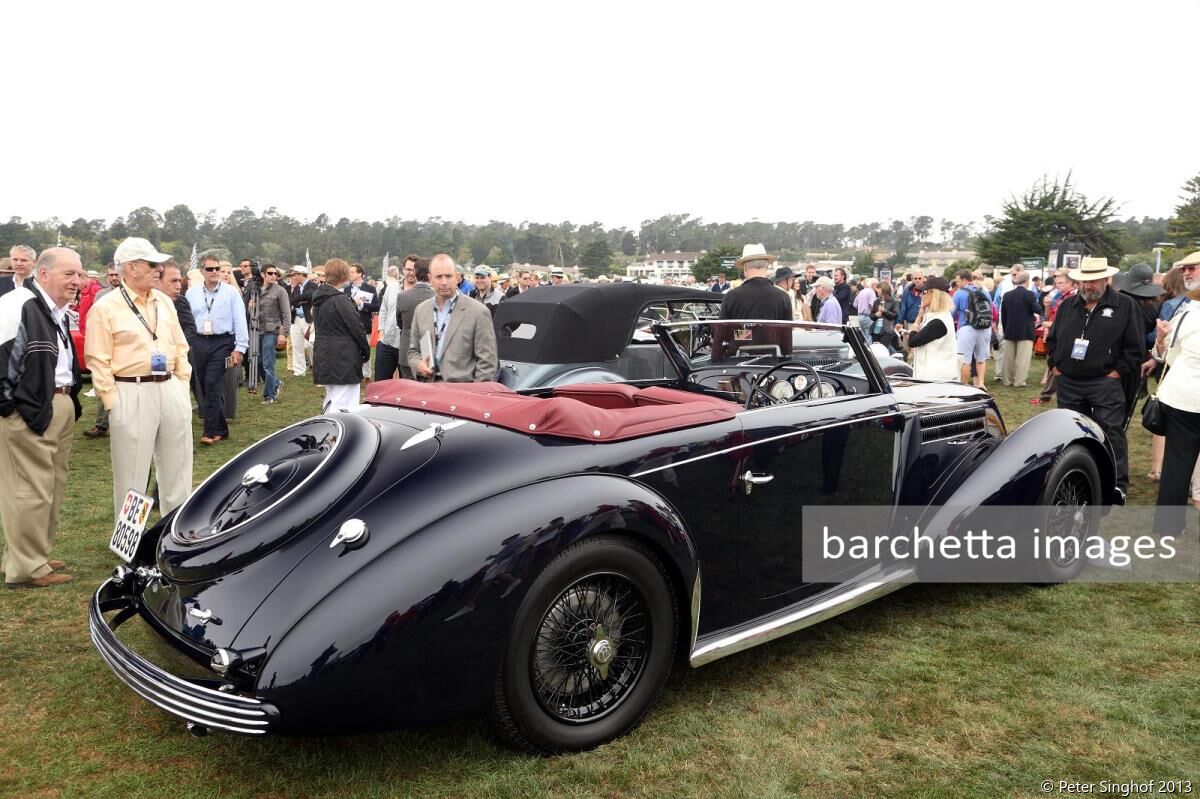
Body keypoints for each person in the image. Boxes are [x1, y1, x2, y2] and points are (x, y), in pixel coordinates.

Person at [85, 237, 193, 521]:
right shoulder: (105, 307)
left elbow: (180, 346)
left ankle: (173, 536)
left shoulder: (165, 303)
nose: (159, 269)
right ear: (131, 268)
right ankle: (129, 542)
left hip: (170, 387)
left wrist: (181, 385)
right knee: (131, 472)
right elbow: (97, 359)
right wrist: (113, 403)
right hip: (130, 391)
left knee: (178, 468)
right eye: (152, 263)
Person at [0, 248, 84, 588]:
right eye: (69, 274)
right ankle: (26, 568)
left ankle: (33, 554)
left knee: (50, 486)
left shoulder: (55, 310)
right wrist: (10, 408)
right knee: (28, 489)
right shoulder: (17, 304)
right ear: (43, 273)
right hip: (29, 408)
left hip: (58, 405)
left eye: (78, 274)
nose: (77, 281)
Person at [1045, 256, 1145, 498]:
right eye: (1083, 281)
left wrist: (1115, 372)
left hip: (1104, 383)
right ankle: (1075, 475)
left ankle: (1117, 483)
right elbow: (1053, 340)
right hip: (1069, 381)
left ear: (1105, 279)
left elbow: (1135, 348)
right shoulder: (1069, 305)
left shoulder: (1125, 305)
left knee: (1110, 431)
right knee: (1071, 431)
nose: (1087, 286)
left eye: (1093, 281)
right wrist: (1055, 366)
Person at [1151, 252, 1200, 536]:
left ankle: (1168, 527)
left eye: (1192, 268)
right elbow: (1164, 353)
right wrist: (1160, 339)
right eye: (1183, 269)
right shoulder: (1186, 309)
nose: (1186, 273)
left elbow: (1166, 354)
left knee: (1177, 464)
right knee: (1177, 465)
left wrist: (1160, 339)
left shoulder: (1188, 311)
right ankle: (1168, 527)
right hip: (1185, 400)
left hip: (1184, 399)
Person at [186, 254, 248, 445]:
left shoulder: (231, 293)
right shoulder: (192, 293)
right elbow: (188, 321)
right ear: (202, 271)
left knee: (212, 382)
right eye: (210, 269)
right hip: (199, 342)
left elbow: (240, 321)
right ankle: (221, 428)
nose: (214, 272)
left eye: (217, 269)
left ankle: (210, 431)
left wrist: (240, 348)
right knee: (204, 386)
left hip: (222, 342)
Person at [407, 254, 499, 383]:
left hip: (462, 392)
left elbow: (487, 362)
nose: (444, 282)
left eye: (448, 276)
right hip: (427, 389)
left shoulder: (478, 312)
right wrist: (418, 365)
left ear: (456, 277)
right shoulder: (421, 311)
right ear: (430, 279)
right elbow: (413, 351)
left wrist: (473, 394)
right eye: (439, 277)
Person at [312, 259, 371, 412]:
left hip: (325, 354)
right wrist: (366, 351)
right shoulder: (340, 300)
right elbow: (357, 329)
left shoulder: (320, 298)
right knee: (345, 406)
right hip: (343, 358)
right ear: (344, 277)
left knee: (332, 399)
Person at [905, 276, 958, 382]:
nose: (921, 295)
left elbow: (913, 341)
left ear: (934, 294)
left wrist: (918, 318)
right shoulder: (938, 316)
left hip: (935, 377)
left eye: (924, 292)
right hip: (933, 374)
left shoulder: (939, 321)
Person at [720, 244, 792, 321]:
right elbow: (787, 332)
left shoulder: (731, 297)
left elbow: (722, 331)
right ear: (767, 266)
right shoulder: (783, 297)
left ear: (745, 267)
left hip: (740, 333)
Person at [254, 264, 290, 403]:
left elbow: (286, 314)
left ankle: (269, 395)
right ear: (263, 274)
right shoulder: (255, 291)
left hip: (271, 331)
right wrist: (251, 306)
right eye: (270, 273)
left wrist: (283, 333)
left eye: (275, 273)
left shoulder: (280, 291)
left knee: (268, 364)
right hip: (257, 330)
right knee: (258, 362)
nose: (273, 275)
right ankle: (275, 383)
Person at [952, 270, 994, 388]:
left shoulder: (959, 293)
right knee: (981, 359)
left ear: (965, 280)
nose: (957, 283)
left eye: (958, 280)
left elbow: (952, 312)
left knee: (965, 360)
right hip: (984, 327)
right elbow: (990, 308)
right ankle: (980, 383)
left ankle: (963, 386)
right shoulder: (983, 291)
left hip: (967, 328)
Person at [999, 271, 1040, 387]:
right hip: (1025, 330)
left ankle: (1007, 380)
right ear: (1027, 281)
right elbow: (1037, 310)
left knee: (1008, 358)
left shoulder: (1007, 295)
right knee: (1023, 358)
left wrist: (1006, 329)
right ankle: (1019, 381)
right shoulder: (1030, 295)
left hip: (1010, 329)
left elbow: (1004, 315)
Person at [395, 258, 435, 379]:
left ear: (415, 273)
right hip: (430, 352)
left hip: (407, 350)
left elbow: (399, 322)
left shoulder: (402, 296)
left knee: (408, 393)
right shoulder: (437, 296)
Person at [375, 264, 403, 381]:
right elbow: (383, 309)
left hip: (407, 345)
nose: (411, 272)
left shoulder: (419, 292)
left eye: (413, 269)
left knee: (406, 387)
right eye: (408, 269)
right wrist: (381, 332)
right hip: (387, 341)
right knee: (381, 384)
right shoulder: (392, 287)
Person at [287, 264, 315, 377]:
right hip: (296, 319)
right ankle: (299, 371)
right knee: (296, 345)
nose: (293, 277)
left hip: (308, 320)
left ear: (301, 275)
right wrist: (300, 300)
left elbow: (309, 296)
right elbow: (290, 300)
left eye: (295, 275)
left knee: (309, 345)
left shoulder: (312, 285)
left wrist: (298, 300)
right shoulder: (296, 288)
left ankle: (315, 365)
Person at [870, 281, 900, 352]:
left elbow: (895, 315)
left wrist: (885, 311)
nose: (876, 291)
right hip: (876, 330)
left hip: (887, 330)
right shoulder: (876, 301)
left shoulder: (894, 301)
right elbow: (871, 315)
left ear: (883, 289)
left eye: (878, 289)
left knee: (883, 350)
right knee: (875, 351)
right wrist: (876, 315)